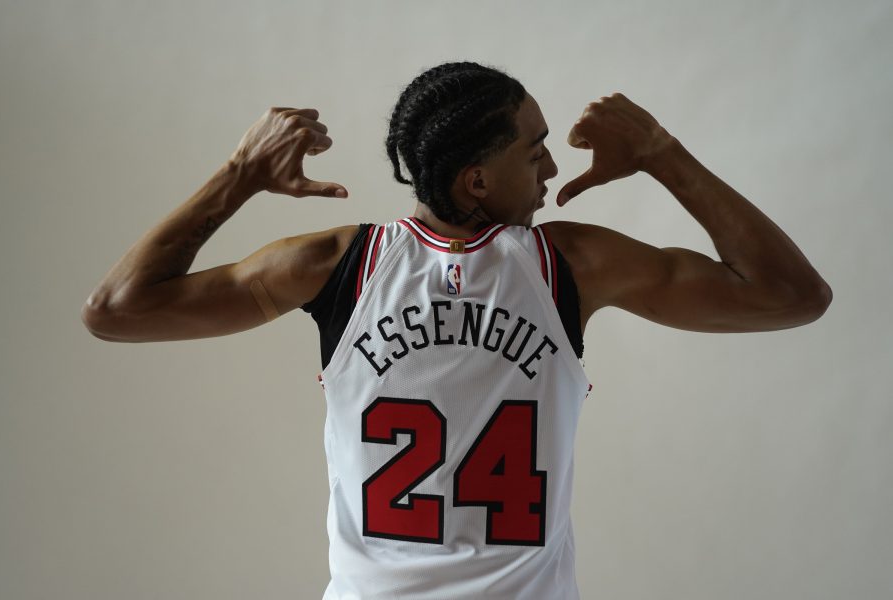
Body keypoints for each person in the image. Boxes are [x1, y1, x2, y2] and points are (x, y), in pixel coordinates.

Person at [81, 61, 832, 599]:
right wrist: (660, 154)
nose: (549, 165)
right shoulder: (571, 264)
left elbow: (118, 309)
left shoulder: (334, 264)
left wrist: (241, 174)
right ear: (477, 180)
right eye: (533, 149)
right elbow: (788, 295)